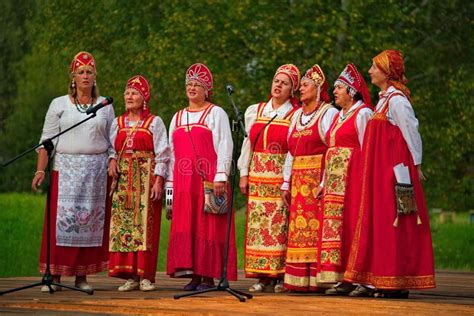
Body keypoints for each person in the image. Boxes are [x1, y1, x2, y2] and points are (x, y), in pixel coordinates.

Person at [344, 50, 435, 298]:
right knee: (382, 223)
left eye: (374, 67)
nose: (370, 71)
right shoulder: (384, 100)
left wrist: (416, 166)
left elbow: (411, 133)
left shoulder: (397, 101)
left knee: (395, 222)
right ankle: (381, 278)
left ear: (386, 72)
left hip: (394, 170)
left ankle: (396, 281)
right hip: (380, 170)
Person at [31, 51, 115, 292]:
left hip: (95, 172)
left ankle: (81, 277)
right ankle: (55, 276)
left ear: (95, 76)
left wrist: (112, 160)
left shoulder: (105, 108)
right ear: (73, 77)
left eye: (90, 72)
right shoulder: (59, 104)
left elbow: (113, 140)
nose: (85, 76)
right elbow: (46, 141)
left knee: (89, 225)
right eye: (81, 72)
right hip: (65, 169)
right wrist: (40, 171)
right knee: (63, 224)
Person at [166, 63, 237, 290]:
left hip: (207, 179)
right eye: (190, 84)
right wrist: (170, 184)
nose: (193, 88)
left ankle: (208, 276)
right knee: (188, 224)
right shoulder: (177, 117)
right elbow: (171, 153)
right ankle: (193, 274)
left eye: (198, 85)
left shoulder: (215, 113)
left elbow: (226, 144)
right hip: (183, 181)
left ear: (207, 90)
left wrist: (221, 175)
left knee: (208, 225)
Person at [238, 64, 300, 293]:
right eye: (276, 81)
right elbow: (248, 144)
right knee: (257, 226)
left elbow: (292, 150)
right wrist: (244, 172)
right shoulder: (257, 110)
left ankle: (280, 275)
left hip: (278, 175)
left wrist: (287, 179)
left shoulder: (295, 114)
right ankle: (262, 276)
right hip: (257, 174)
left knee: (279, 226)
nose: (278, 86)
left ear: (291, 89)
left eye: (284, 83)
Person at [108, 75, 170, 292]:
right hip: (124, 180)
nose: (129, 97)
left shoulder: (154, 122)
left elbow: (163, 153)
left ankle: (145, 276)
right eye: (127, 93)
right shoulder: (117, 122)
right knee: (125, 226)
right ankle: (130, 276)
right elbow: (110, 148)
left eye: (134, 93)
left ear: (144, 98)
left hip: (146, 178)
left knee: (145, 227)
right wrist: (112, 160)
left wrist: (159, 181)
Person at [281, 65, 338, 292]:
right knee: (298, 231)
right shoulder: (296, 116)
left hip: (317, 178)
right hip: (298, 180)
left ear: (318, 88)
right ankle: (298, 281)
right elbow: (290, 152)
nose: (300, 90)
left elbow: (332, 151)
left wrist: (325, 182)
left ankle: (318, 279)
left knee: (317, 230)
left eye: (305, 85)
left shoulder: (328, 113)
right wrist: (286, 182)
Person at [319, 64, 373, 295]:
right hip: (335, 183)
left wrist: (366, 181)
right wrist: (323, 183)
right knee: (338, 228)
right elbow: (330, 149)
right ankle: (344, 277)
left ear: (351, 91)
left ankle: (361, 275)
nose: (335, 92)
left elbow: (369, 149)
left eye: (339, 88)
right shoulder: (339, 115)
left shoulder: (363, 114)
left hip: (354, 179)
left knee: (354, 225)